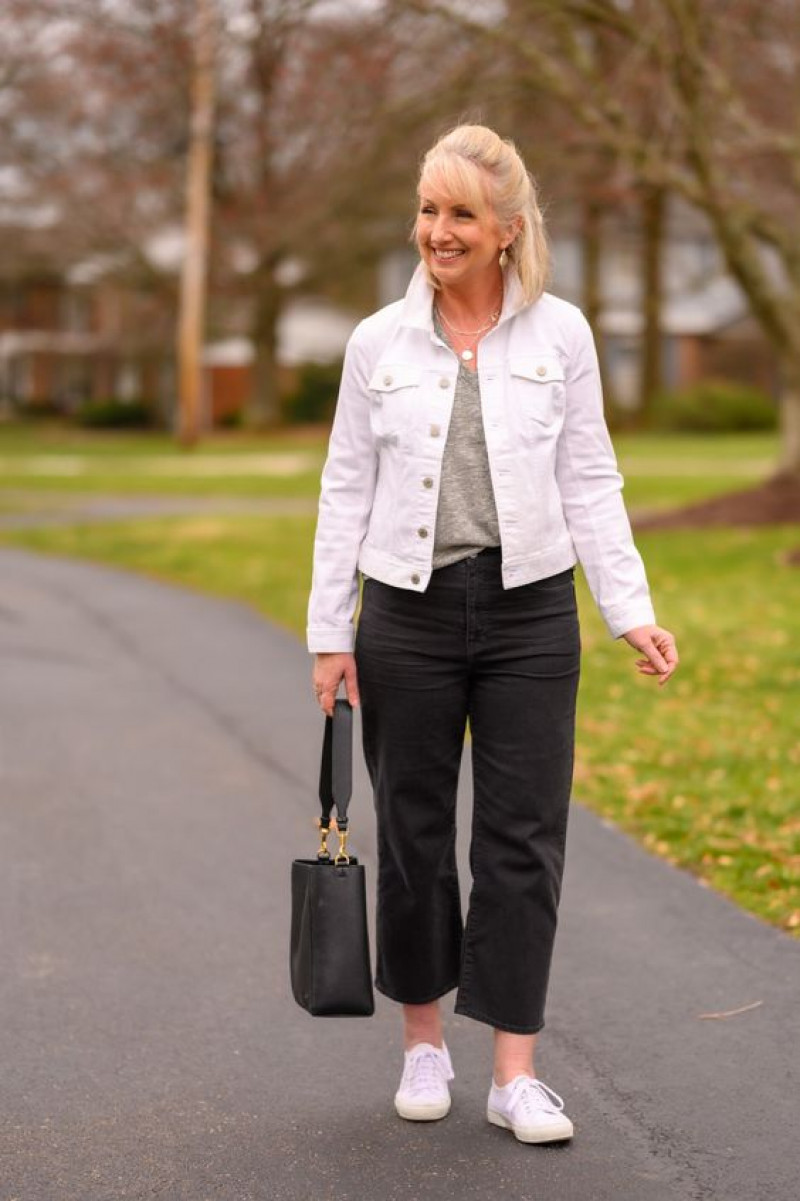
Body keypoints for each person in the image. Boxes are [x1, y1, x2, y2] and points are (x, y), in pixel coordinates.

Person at [307, 124, 678, 1145]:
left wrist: (627, 607)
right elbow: (346, 487)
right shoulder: (376, 343)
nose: (438, 231)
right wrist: (326, 632)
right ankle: (423, 1042)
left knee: (522, 838)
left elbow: (589, 478)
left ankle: (515, 1070)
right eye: (427, 209)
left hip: (528, 613)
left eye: (461, 213)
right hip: (404, 615)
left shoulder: (560, 337)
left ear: (508, 229)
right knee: (417, 834)